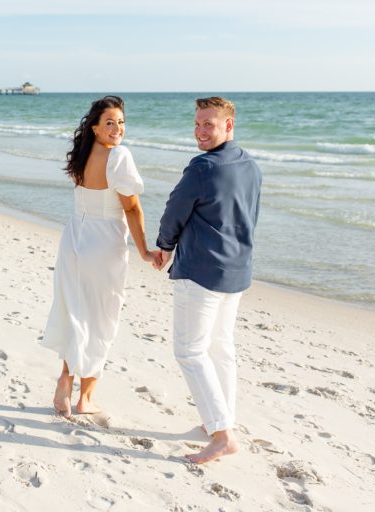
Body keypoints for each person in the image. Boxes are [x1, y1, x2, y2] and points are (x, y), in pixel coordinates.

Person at [154, 97, 262, 463]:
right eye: (198, 123)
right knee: (221, 348)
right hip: (237, 269)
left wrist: (164, 246)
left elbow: (174, 209)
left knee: (190, 351)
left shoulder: (202, 167)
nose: (201, 131)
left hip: (202, 270)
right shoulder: (250, 165)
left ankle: (220, 433)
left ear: (228, 125)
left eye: (209, 125)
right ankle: (218, 420)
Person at [42, 95, 160, 417]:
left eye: (121, 122)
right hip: (103, 242)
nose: (117, 128)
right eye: (109, 122)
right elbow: (132, 207)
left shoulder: (82, 156)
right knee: (101, 319)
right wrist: (144, 250)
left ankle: (66, 379)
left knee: (76, 311)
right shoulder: (118, 157)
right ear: (95, 127)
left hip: (74, 239)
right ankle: (86, 399)